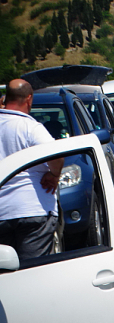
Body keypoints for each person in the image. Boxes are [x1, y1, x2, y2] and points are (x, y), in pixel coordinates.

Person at [0, 79, 64, 260]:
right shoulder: (30, 127)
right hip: (33, 209)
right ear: (29, 99)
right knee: (33, 270)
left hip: (1, 213)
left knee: (5, 273)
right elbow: (56, 156)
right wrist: (54, 175)